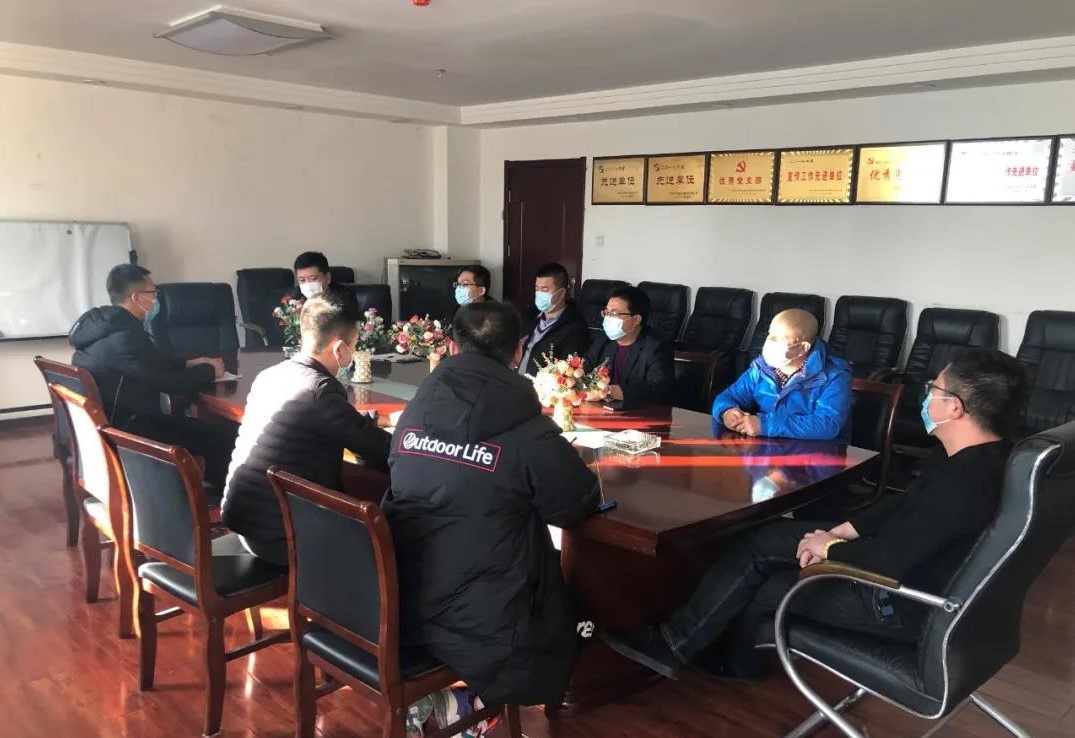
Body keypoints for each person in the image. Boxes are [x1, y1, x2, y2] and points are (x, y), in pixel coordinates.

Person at [602, 348, 1028, 681]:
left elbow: (891, 560)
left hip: (895, 600)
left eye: (935, 389)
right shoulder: (972, 457)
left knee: (766, 583)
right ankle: (690, 640)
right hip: (893, 562)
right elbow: (903, 506)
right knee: (758, 540)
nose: (927, 394)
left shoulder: (967, 482)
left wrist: (830, 547)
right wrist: (843, 528)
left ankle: (706, 654)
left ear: (954, 407)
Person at [383, 301, 601, 706]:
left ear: (451, 347)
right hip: (490, 626)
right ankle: (470, 704)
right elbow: (576, 503)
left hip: (403, 596)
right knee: (583, 614)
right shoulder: (528, 428)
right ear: (518, 352)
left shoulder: (416, 410)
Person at [222, 293, 391, 566]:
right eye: (354, 345)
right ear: (340, 349)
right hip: (281, 537)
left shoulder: (270, 375)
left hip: (245, 521)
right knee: (387, 541)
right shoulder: (319, 390)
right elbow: (380, 450)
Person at [70, 264, 236, 490]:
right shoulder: (124, 337)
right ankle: (220, 499)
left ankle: (203, 489)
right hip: (131, 430)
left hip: (115, 420)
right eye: (153, 293)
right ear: (136, 297)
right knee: (225, 435)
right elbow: (171, 384)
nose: (156, 299)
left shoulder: (106, 328)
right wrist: (209, 371)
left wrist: (188, 363)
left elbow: (149, 362)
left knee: (207, 429)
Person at [712, 308, 852, 442]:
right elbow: (728, 396)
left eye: (779, 338)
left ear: (803, 347)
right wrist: (727, 412)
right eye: (770, 334)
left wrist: (766, 425)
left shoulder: (835, 375)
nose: (769, 342)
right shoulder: (762, 367)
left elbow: (827, 424)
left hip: (817, 452)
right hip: (767, 447)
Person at [583, 285, 674, 408]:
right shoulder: (603, 339)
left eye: (614, 313)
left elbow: (657, 388)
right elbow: (584, 367)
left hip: (640, 412)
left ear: (636, 319)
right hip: (601, 409)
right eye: (606, 313)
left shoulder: (657, 346)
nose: (608, 318)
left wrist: (610, 392)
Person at [517, 262, 592, 375]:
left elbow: (568, 371)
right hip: (514, 381)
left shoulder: (575, 328)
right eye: (537, 289)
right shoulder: (528, 316)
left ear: (561, 293)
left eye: (545, 290)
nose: (539, 294)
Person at [289, 250, 359, 312]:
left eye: (313, 279)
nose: (308, 284)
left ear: (328, 278)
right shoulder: (296, 295)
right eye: (302, 280)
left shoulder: (345, 296)